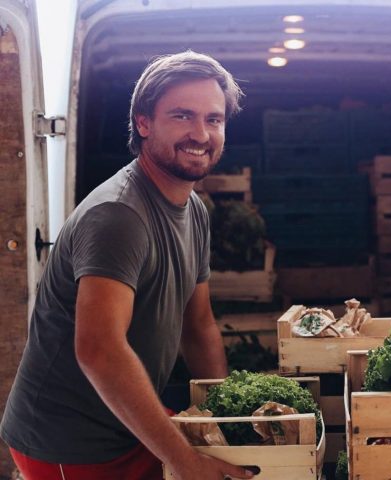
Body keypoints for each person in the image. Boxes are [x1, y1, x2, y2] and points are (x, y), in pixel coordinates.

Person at [1, 51, 254, 480]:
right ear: (143, 123)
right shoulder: (120, 217)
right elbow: (99, 350)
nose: (201, 133)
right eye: (182, 116)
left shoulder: (192, 208)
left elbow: (200, 326)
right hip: (71, 444)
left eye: (214, 119)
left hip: (124, 426)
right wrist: (185, 459)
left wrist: (227, 421)